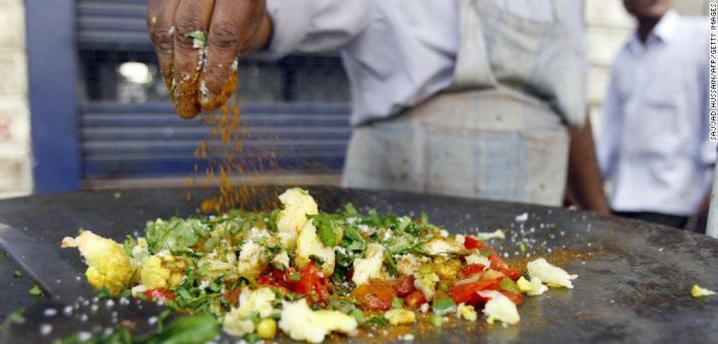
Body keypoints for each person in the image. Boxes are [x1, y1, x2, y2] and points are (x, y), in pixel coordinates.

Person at [146, 0, 609, 212]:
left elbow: (573, 104)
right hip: (401, 195)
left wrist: (603, 221)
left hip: (536, 205)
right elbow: (272, 17)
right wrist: (239, 17)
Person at [597, 0, 713, 229]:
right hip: (621, 203)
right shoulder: (624, 55)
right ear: (625, 4)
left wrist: (708, 201)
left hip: (678, 206)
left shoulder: (702, 38)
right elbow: (609, 135)